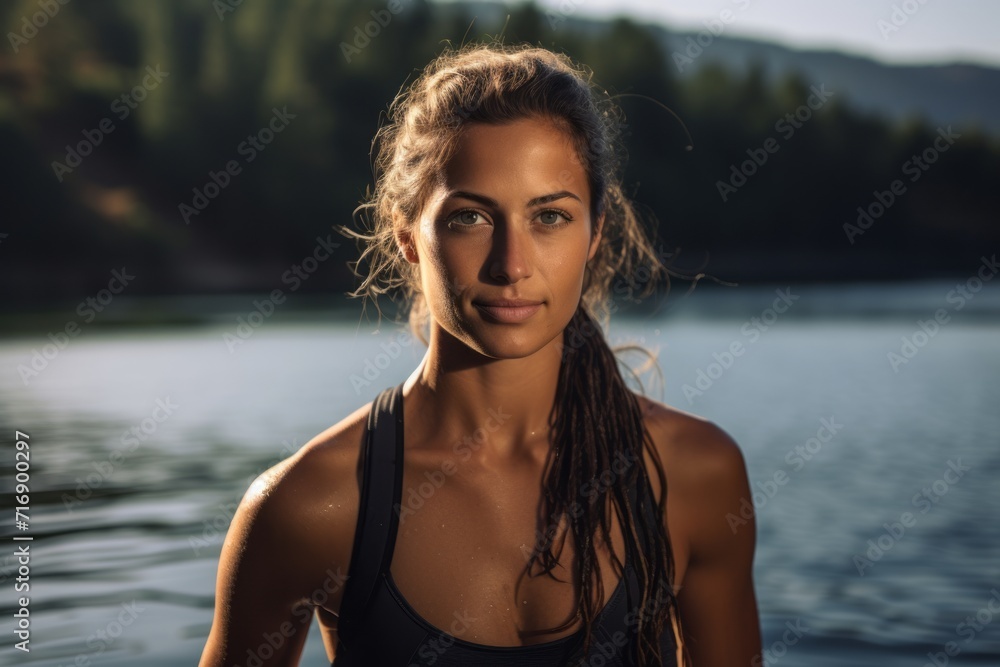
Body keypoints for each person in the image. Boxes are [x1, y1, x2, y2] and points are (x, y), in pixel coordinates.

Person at [199, 42, 761, 667]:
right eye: (470, 217)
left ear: (595, 233)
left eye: (549, 217)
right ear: (407, 234)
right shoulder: (310, 507)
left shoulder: (693, 476)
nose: (512, 266)